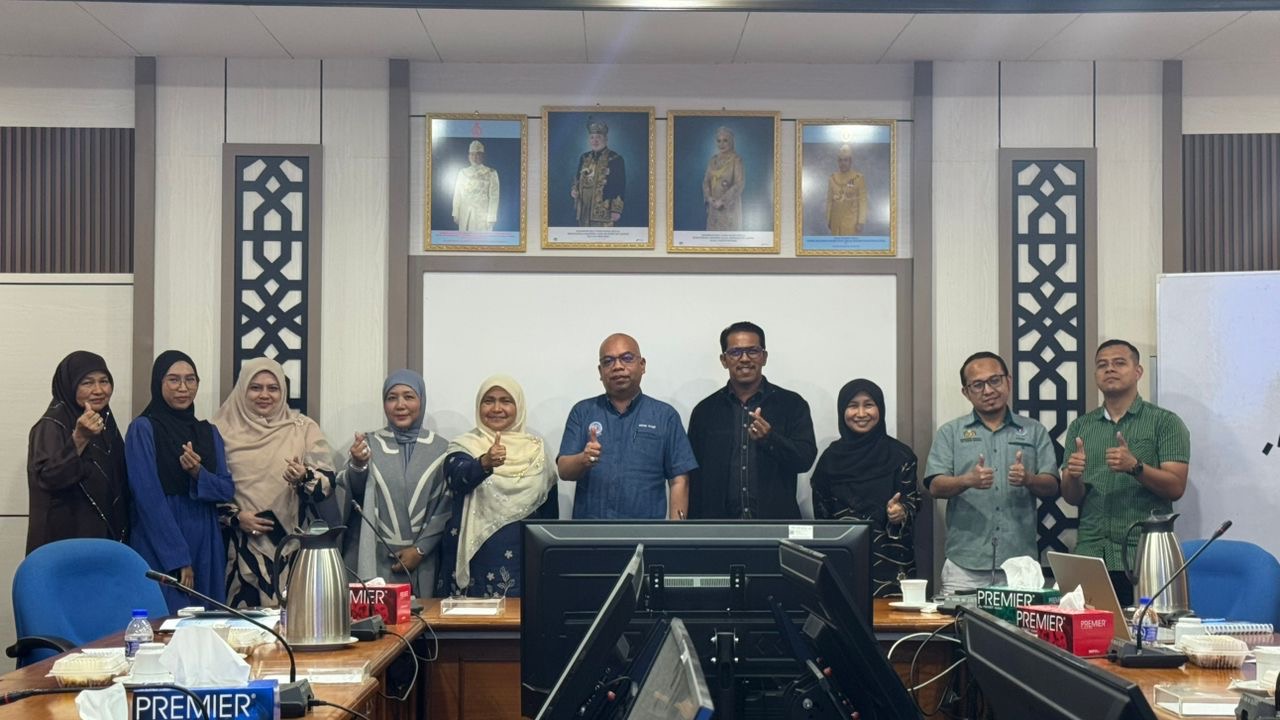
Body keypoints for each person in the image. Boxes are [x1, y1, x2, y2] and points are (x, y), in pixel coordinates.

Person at [1060, 340, 1191, 606]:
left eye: (1119, 363)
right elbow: (1072, 498)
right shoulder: (1081, 427)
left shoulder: (1165, 422)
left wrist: (1136, 467)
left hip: (1142, 556)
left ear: (1138, 371)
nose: (1110, 369)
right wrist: (1072, 476)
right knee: (1089, 630)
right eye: (1102, 365)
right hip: (1091, 554)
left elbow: (1176, 487)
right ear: (1095, 375)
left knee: (1144, 630)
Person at [923, 352, 1060, 594]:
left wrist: (1028, 479)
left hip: (1019, 564)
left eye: (994, 380)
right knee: (957, 619)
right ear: (966, 392)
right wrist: (967, 480)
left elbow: (1052, 486)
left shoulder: (1034, 431)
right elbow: (935, 486)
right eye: (978, 385)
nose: (988, 390)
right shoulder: (950, 432)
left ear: (1008, 381)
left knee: (1022, 622)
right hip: (965, 563)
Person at [212, 357, 335, 608]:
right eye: (255, 387)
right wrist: (236, 517)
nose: (264, 395)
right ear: (241, 389)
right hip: (239, 549)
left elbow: (327, 485)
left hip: (293, 548)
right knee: (243, 627)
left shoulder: (302, 428)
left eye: (273, 388)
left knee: (296, 623)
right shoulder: (218, 431)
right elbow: (206, 491)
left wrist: (304, 477)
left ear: (283, 391)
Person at [125, 351, 235, 612]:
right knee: (168, 620)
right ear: (158, 383)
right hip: (161, 538)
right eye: (173, 380)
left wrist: (198, 473)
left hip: (206, 539)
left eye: (190, 379)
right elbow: (147, 498)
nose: (183, 388)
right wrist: (178, 557)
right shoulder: (143, 429)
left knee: (208, 620)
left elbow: (226, 489)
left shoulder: (208, 432)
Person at [436, 375, 557, 598]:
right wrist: (484, 463)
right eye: (488, 401)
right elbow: (456, 479)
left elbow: (549, 513)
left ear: (518, 406)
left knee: (519, 617)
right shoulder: (465, 445)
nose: (497, 408)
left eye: (506, 401)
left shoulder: (536, 450)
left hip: (523, 558)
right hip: (473, 560)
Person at [336, 369, 452, 598]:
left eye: (409, 397)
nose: (400, 405)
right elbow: (356, 494)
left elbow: (445, 507)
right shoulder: (370, 443)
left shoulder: (441, 449)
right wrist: (358, 465)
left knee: (423, 618)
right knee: (375, 618)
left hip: (424, 562)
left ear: (421, 400)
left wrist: (420, 550)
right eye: (392, 398)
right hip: (374, 558)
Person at [557, 333, 697, 519]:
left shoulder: (665, 416)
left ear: (642, 365)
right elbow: (564, 470)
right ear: (600, 371)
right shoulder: (582, 412)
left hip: (645, 531)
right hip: (591, 531)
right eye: (608, 361)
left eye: (627, 358)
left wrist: (675, 530)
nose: (617, 366)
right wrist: (583, 459)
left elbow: (679, 479)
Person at [687, 321, 816, 519]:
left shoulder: (791, 404)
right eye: (735, 352)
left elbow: (804, 461)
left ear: (764, 357)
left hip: (776, 526)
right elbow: (694, 476)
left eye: (753, 351)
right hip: (719, 528)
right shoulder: (705, 411)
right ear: (724, 360)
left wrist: (770, 439)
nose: (745, 359)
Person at [811, 379, 920, 598]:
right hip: (842, 561)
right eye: (853, 406)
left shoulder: (901, 455)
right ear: (842, 411)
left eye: (868, 404)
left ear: (880, 408)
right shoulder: (830, 459)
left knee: (892, 620)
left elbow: (913, 500)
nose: (861, 413)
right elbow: (822, 517)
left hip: (891, 564)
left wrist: (901, 512)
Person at [26, 351, 129, 553]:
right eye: (87, 383)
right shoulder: (51, 425)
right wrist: (79, 439)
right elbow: (47, 479)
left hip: (101, 539)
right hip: (64, 541)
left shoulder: (105, 421)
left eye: (104, 381)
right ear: (69, 385)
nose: (98, 390)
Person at [570, 119, 626, 227]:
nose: (595, 141)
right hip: (583, 210)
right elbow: (577, 179)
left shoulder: (615, 159)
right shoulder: (584, 157)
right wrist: (574, 190)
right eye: (592, 137)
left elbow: (620, 185)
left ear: (606, 139)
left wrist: (616, 210)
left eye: (598, 137)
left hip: (604, 209)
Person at [452, 140, 500, 231]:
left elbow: (494, 197)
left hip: (482, 215)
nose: (474, 157)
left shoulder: (491, 173)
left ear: (482, 156)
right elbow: (457, 194)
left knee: (482, 238)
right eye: (472, 154)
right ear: (468, 156)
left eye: (478, 154)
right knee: (464, 238)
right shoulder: (462, 173)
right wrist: (455, 213)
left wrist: (492, 217)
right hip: (465, 214)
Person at [703, 126, 744, 231]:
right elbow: (706, 181)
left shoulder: (736, 160)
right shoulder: (713, 160)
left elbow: (739, 184)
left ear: (731, 141)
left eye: (725, 140)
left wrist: (722, 201)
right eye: (719, 141)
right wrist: (709, 198)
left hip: (729, 208)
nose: (721, 144)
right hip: (713, 208)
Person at [826, 144, 869, 236]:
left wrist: (861, 222)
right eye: (840, 160)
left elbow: (863, 201)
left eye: (845, 160)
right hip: (835, 222)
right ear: (838, 162)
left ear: (850, 161)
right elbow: (829, 201)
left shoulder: (858, 178)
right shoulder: (832, 178)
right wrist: (828, 219)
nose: (843, 163)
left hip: (851, 223)